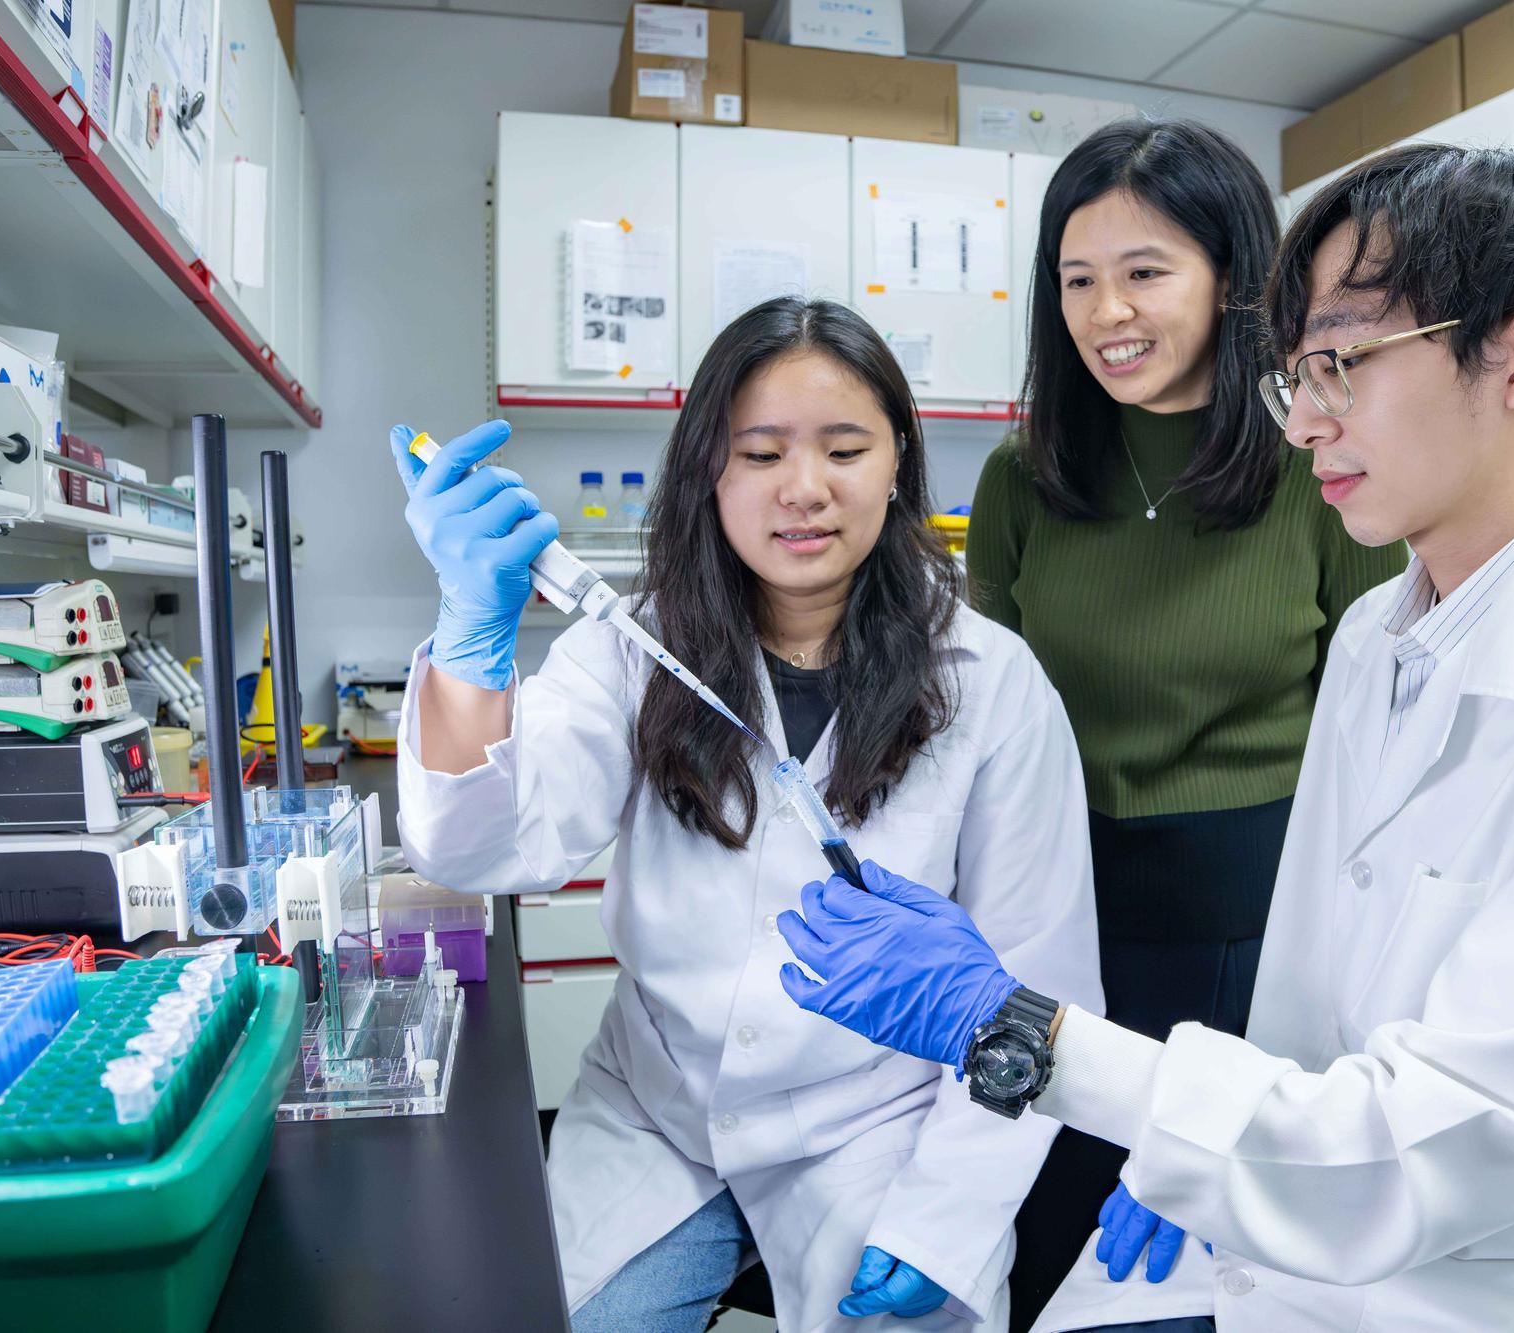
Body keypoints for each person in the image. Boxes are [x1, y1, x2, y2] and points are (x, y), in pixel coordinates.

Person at [776, 144, 1514, 1333]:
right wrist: (1208, 1165)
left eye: (1341, 364)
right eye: (1295, 373)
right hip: (1316, 1249)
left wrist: (1020, 1033)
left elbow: (1454, 1138)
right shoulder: (1381, 636)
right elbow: (1310, 1015)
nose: (1306, 420)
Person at [389, 296, 1103, 1331]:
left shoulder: (991, 681)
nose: (804, 490)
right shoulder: (630, 645)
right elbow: (482, 843)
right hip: (658, 1112)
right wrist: (469, 640)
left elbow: (1040, 976)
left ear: (898, 459)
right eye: (760, 452)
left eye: (845, 448)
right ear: (707, 473)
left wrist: (946, 1211)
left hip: (878, 1122)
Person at [968, 119, 1406, 1325]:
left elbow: (1379, 748)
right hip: (1057, 924)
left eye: (1146, 271)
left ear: (1232, 278)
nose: (1107, 309)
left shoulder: (1322, 465)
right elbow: (985, 725)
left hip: (1255, 936)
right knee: (1045, 1250)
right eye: (1076, 278)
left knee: (1209, 1282)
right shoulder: (1023, 479)